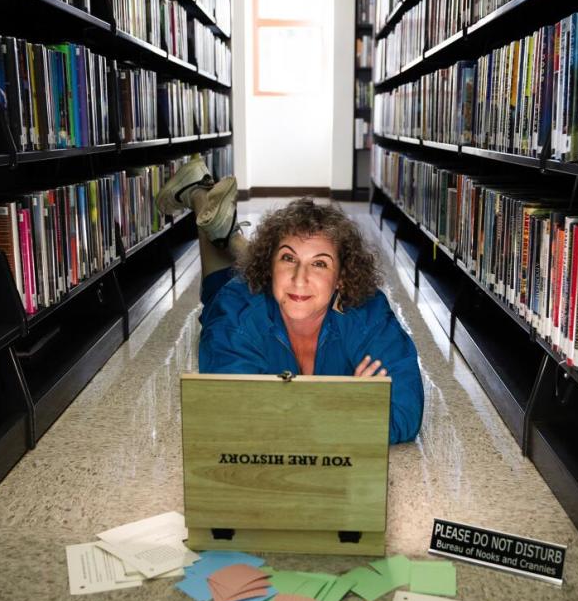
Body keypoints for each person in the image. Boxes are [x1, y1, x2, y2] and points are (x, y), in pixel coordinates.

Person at [157, 156, 423, 445]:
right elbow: (234, 412)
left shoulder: (367, 313)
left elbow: (405, 413)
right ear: (270, 267)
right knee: (219, 279)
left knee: (240, 259)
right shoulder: (235, 313)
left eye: (320, 264)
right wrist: (348, 407)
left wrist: (293, 412)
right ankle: (201, 198)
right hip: (235, 293)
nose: (299, 278)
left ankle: (223, 225)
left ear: (342, 278)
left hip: (262, 282)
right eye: (287, 258)